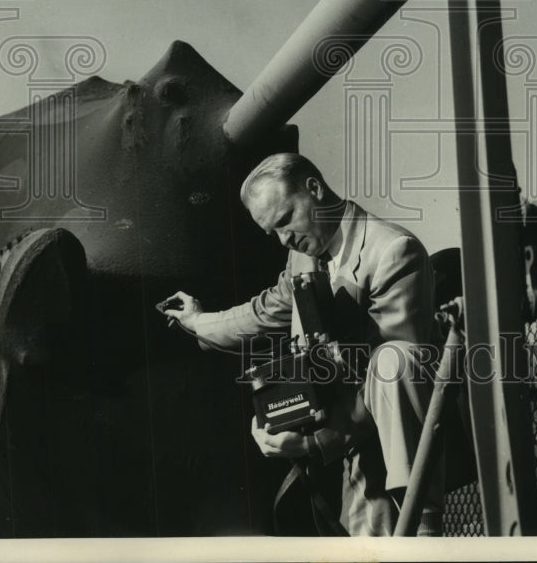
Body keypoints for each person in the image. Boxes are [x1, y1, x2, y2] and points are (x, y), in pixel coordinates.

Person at [164, 152, 443, 537]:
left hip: (385, 460)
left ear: (314, 189)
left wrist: (313, 443)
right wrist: (198, 323)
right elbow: (263, 311)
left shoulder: (393, 252)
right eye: (272, 232)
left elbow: (395, 384)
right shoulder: (303, 255)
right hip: (329, 451)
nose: (284, 239)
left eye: (284, 221)